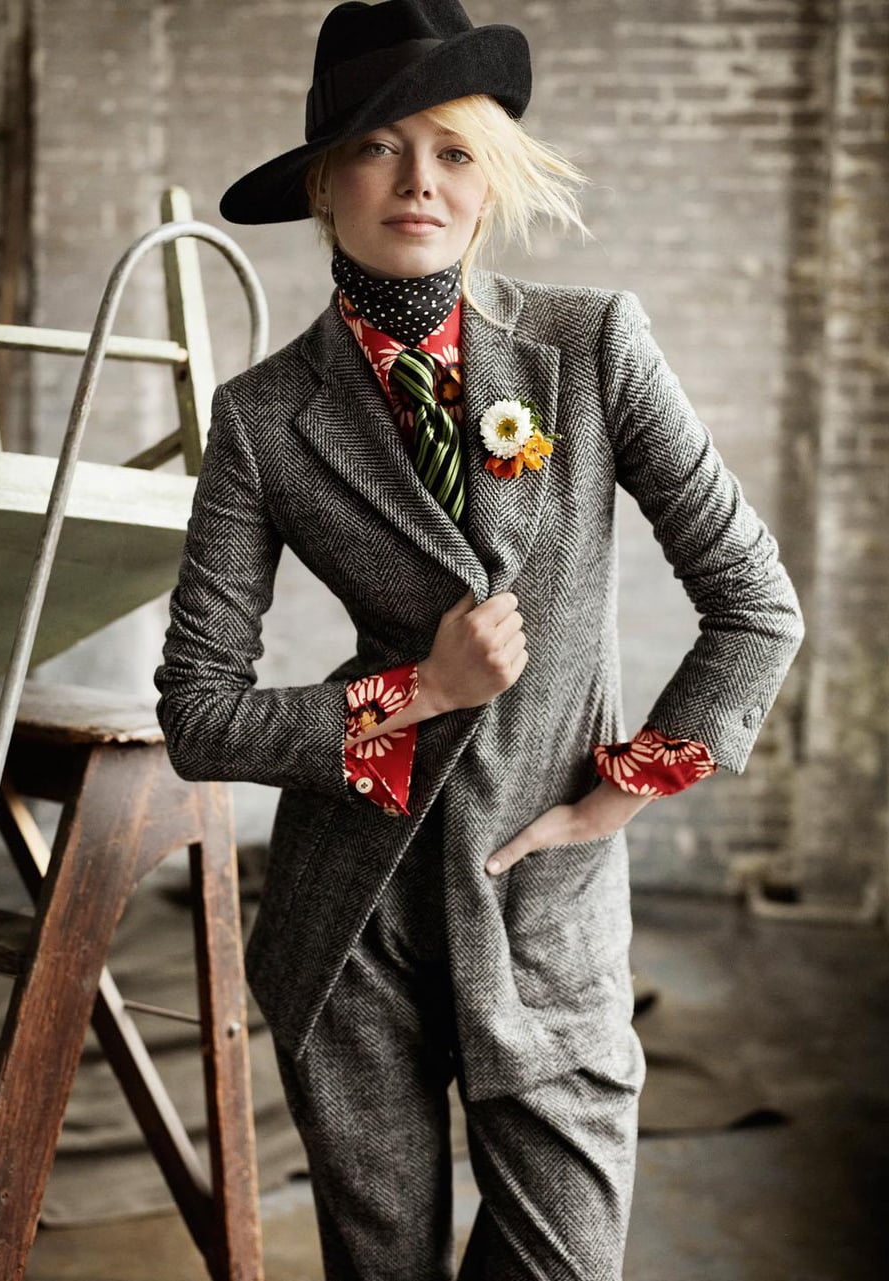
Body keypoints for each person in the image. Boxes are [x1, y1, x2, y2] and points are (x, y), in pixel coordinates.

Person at [155, 1, 804, 1276]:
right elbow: (197, 712)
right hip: (355, 922)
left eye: (453, 150)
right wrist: (417, 692)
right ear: (324, 183)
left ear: (491, 177)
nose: (420, 182)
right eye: (379, 147)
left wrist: (620, 795)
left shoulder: (590, 347)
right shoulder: (263, 417)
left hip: (544, 906)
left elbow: (754, 602)